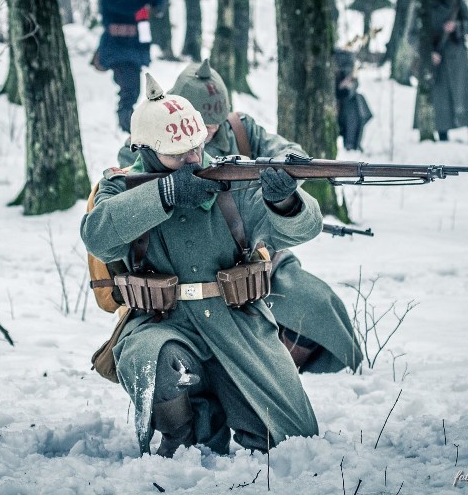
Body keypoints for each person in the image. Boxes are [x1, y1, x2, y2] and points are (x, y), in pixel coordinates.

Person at [82, 74, 321, 457]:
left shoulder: (234, 178)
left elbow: (304, 229)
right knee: (154, 358)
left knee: (295, 443)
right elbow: (97, 234)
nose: (194, 159)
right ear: (145, 150)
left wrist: (286, 203)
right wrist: (165, 193)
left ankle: (227, 409)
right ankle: (182, 433)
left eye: (197, 146)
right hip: (162, 323)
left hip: (239, 323)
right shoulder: (121, 185)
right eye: (178, 153)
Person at [119, 59, 362, 374]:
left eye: (215, 120)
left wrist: (283, 176)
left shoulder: (240, 129)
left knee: (318, 304)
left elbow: (290, 155)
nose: (209, 130)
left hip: (257, 260)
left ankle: (278, 374)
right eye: (202, 122)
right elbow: (128, 195)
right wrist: (173, 189)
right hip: (188, 282)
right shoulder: (147, 142)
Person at [97, 0, 164, 133]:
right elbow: (128, 6)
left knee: (132, 90)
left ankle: (128, 126)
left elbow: (159, 8)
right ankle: (128, 128)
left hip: (134, 49)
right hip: (117, 48)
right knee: (129, 89)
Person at [419, 0, 468, 144]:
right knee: (441, 100)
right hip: (438, 61)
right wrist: (428, 54)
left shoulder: (457, 3)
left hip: (458, 58)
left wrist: (457, 27)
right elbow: (416, 35)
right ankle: (443, 138)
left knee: (467, 96)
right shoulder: (426, 7)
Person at [334, 49, 373, 151]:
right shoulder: (342, 61)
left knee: (357, 107)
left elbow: (353, 82)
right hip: (340, 101)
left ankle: (351, 142)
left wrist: (347, 88)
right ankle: (350, 142)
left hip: (346, 99)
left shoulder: (350, 62)